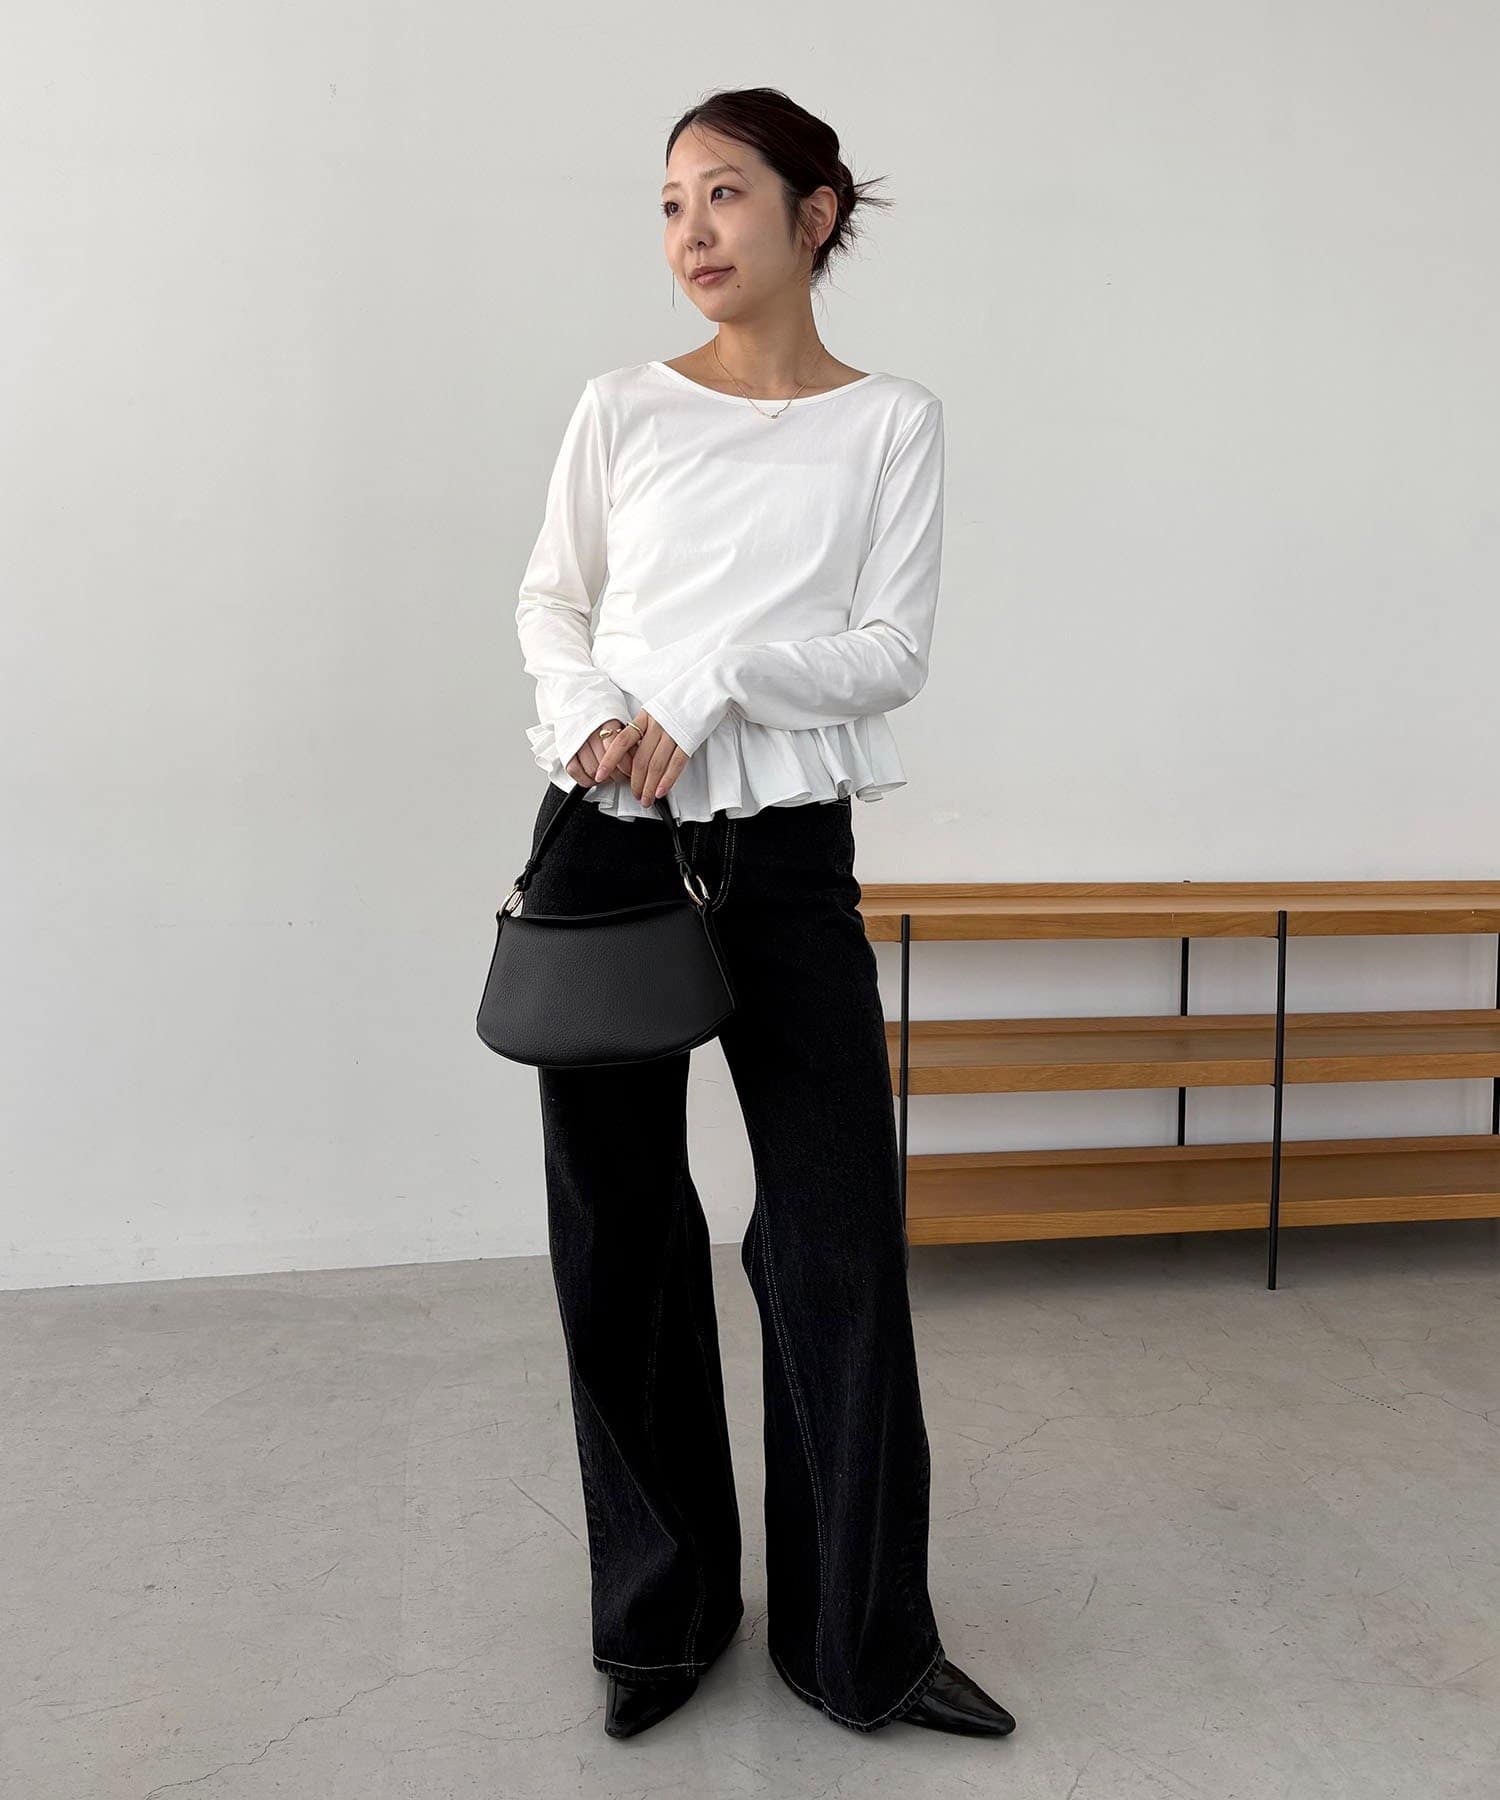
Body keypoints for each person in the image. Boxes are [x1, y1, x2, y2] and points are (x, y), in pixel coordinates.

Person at [513, 85, 1017, 1745]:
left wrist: (720, 680)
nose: (692, 232)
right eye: (670, 203)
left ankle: (863, 1642)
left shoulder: (892, 424)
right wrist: (593, 713)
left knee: (835, 1237)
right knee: (620, 1236)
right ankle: (660, 1620)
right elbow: (553, 599)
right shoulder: (621, 408)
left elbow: (890, 650)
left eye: (724, 194)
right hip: (609, 843)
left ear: (815, 214)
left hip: (787, 855)